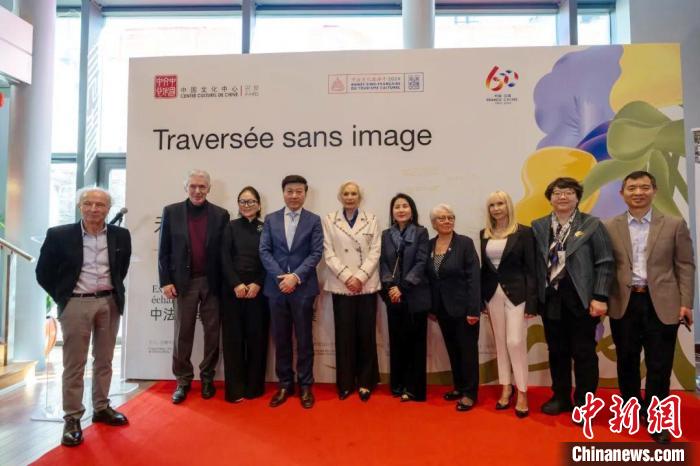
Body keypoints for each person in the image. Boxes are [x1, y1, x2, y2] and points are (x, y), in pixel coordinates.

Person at [36, 187, 131, 447]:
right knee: (74, 364)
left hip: (109, 302)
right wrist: (63, 297)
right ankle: (72, 417)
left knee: (105, 360)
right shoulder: (59, 235)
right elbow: (43, 272)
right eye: (88, 203)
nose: (93, 209)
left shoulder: (121, 235)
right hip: (76, 303)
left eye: (100, 205)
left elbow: (121, 269)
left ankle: (101, 407)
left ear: (108, 209)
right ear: (80, 206)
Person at [604, 171, 695, 444]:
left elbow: (685, 265)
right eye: (632, 188)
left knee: (659, 364)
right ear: (622, 193)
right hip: (624, 302)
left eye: (644, 187)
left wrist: (686, 302)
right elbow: (604, 267)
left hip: (663, 304)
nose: (638, 192)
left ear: (654, 191)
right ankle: (631, 411)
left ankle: (657, 418)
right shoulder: (608, 226)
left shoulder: (674, 224)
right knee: (627, 361)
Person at [531, 177, 614, 416]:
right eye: (557, 193)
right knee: (557, 352)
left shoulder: (592, 224)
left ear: (577, 198)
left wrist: (600, 296)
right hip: (551, 299)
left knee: (584, 353)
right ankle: (560, 397)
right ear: (550, 198)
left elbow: (605, 262)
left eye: (569, 192)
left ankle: (585, 404)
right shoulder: (539, 226)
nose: (563, 197)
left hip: (581, 299)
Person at [158, 169, 230, 404]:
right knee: (183, 333)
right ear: (186, 188)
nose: (197, 191)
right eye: (193, 186)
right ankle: (183, 380)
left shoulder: (221, 214)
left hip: (212, 282)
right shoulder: (171, 212)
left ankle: (207, 377)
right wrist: (165, 280)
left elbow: (224, 252)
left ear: (209, 189)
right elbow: (164, 250)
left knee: (212, 332)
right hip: (183, 282)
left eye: (202, 186)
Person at [259, 174, 323, 409]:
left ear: (305, 193)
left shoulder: (314, 220)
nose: (294, 196)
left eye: (299, 191)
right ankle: (285, 384)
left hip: (303, 288)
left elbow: (316, 253)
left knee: (304, 339)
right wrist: (281, 278)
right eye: (290, 191)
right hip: (276, 289)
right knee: (281, 338)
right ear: (283, 193)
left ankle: (305, 385)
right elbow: (264, 250)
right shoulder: (271, 219)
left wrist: (295, 277)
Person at [322, 181, 381, 402]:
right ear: (340, 197)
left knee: (366, 334)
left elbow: (375, 251)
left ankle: (366, 382)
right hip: (341, 285)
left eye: (353, 193)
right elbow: (328, 252)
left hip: (366, 284)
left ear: (359, 197)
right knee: (344, 335)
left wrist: (360, 277)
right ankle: (345, 383)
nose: (349, 197)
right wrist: (348, 277)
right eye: (346, 193)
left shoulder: (371, 219)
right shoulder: (329, 220)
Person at [480, 191, 537, 418]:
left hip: (517, 295)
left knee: (515, 342)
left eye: (500, 204)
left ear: (508, 206)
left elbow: (532, 269)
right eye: (492, 205)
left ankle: (522, 391)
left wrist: (532, 303)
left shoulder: (524, 232)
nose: (496, 208)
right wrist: (481, 300)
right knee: (501, 344)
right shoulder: (484, 234)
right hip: (492, 295)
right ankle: (506, 387)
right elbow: (485, 270)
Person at [426, 204, 480, 411]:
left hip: (464, 309)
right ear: (434, 223)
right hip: (441, 310)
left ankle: (470, 394)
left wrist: (474, 310)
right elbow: (431, 278)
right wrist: (432, 307)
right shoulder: (429, 245)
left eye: (450, 217)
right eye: (442, 218)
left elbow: (474, 277)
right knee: (453, 350)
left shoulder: (465, 243)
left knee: (467, 352)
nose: (447, 221)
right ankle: (459, 387)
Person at [379, 193, 431, 402]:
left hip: (414, 295)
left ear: (412, 210)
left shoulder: (421, 232)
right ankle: (398, 385)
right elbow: (383, 262)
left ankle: (414, 389)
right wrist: (390, 287)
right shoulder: (385, 235)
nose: (401, 210)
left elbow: (421, 262)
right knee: (397, 342)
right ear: (392, 212)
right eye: (397, 206)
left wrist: (403, 287)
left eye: (405, 206)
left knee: (416, 345)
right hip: (393, 297)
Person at [220, 186, 269, 403]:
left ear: (259, 205)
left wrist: (258, 283)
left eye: (251, 201)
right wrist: (236, 284)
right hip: (233, 291)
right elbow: (223, 257)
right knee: (233, 340)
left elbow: (270, 259)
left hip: (258, 292)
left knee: (257, 340)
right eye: (243, 201)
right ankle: (235, 389)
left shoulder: (266, 228)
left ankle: (254, 388)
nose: (247, 205)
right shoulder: (229, 227)